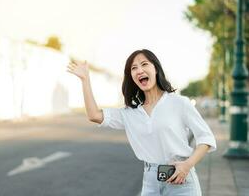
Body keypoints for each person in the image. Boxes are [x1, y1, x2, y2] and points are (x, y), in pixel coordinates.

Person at [67, 49, 216, 196]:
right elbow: (94, 115)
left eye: (144, 64)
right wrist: (85, 80)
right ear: (131, 76)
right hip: (150, 183)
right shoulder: (130, 113)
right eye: (134, 68)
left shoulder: (179, 103)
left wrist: (187, 165)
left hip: (181, 179)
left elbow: (206, 138)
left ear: (155, 69)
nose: (139, 70)